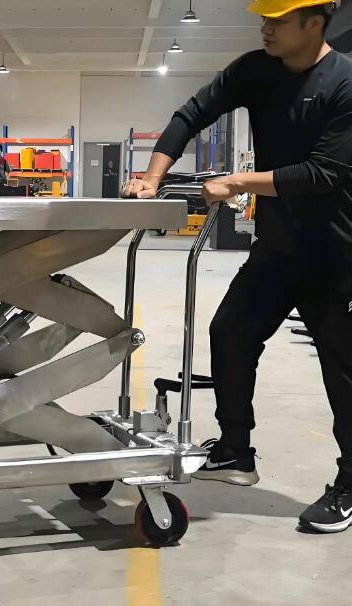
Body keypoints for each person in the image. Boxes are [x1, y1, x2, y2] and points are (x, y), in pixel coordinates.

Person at [121, 0, 352, 533]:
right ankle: (234, 451)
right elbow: (191, 113)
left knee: (342, 372)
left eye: (278, 20)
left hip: (335, 257)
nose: (265, 28)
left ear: (314, 22)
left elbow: (322, 175)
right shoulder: (255, 70)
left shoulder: (344, 83)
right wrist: (152, 178)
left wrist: (237, 181)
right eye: (264, 18)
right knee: (230, 332)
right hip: (277, 250)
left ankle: (349, 484)